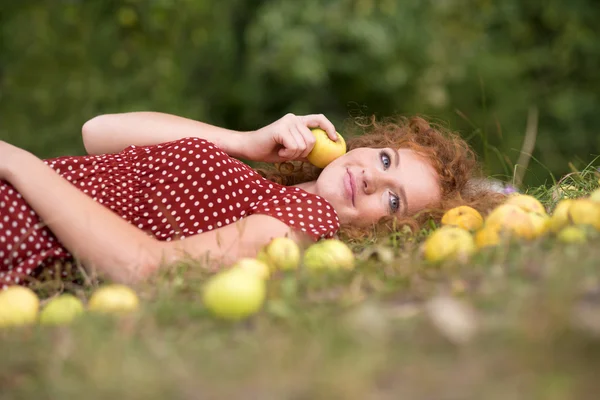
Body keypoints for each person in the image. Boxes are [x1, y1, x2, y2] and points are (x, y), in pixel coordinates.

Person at [0, 112, 505, 289]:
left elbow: (146, 267)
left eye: (394, 203)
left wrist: (21, 165)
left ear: (389, 234)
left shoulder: (300, 224)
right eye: (388, 161)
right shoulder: (267, 187)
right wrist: (243, 140)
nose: (372, 178)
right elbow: (99, 133)